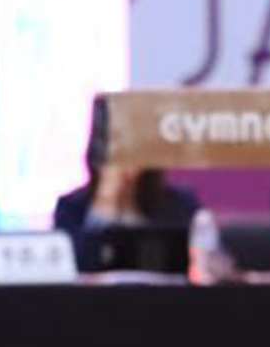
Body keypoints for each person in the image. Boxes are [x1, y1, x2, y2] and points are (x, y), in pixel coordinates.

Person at [53, 98, 198, 271]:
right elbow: (75, 266)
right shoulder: (70, 208)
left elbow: (190, 263)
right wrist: (106, 201)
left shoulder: (180, 204)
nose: (122, 155)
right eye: (114, 142)